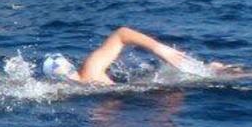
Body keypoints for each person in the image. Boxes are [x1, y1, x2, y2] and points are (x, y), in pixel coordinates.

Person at [42, 26, 230, 85]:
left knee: (211, 76)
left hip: (151, 84)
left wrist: (160, 49)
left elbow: (121, 33)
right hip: (146, 87)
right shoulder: (84, 78)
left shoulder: (90, 70)